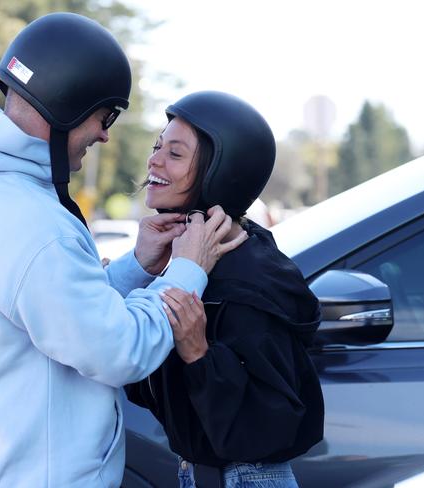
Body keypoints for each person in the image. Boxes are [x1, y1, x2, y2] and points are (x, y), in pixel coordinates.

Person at [0, 13, 246, 488]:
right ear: (67, 103)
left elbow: (49, 313)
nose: (105, 135)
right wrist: (187, 269)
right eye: (105, 117)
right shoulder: (36, 224)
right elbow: (120, 348)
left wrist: (136, 266)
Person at [125, 91, 324, 488]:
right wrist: (131, 279)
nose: (154, 160)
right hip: (199, 474)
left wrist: (199, 354)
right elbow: (148, 387)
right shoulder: (191, 265)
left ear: (222, 171)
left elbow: (267, 427)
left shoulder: (250, 280)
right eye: (157, 146)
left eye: (175, 154)